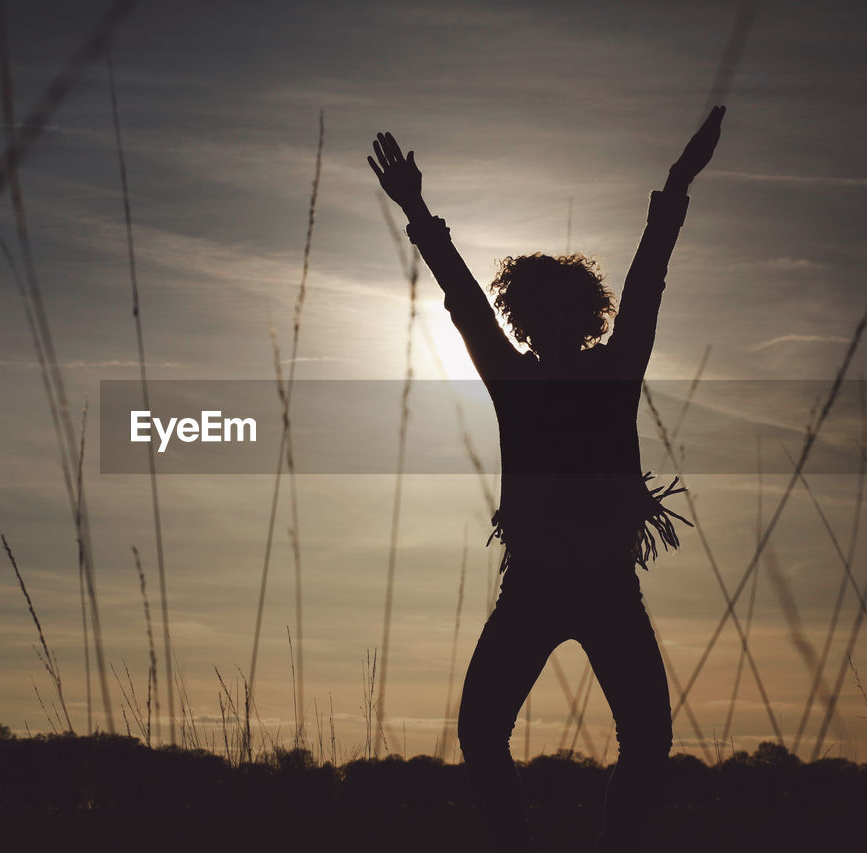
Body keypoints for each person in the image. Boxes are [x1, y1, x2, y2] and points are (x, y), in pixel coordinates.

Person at [367, 106, 725, 852]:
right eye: (542, 318)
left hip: (604, 584)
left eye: (570, 315)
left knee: (647, 740)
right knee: (481, 732)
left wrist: (677, 183)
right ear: (527, 324)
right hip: (532, 585)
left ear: (588, 320)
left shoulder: (617, 368)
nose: (556, 329)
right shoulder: (512, 378)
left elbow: (649, 276)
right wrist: (418, 213)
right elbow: (465, 303)